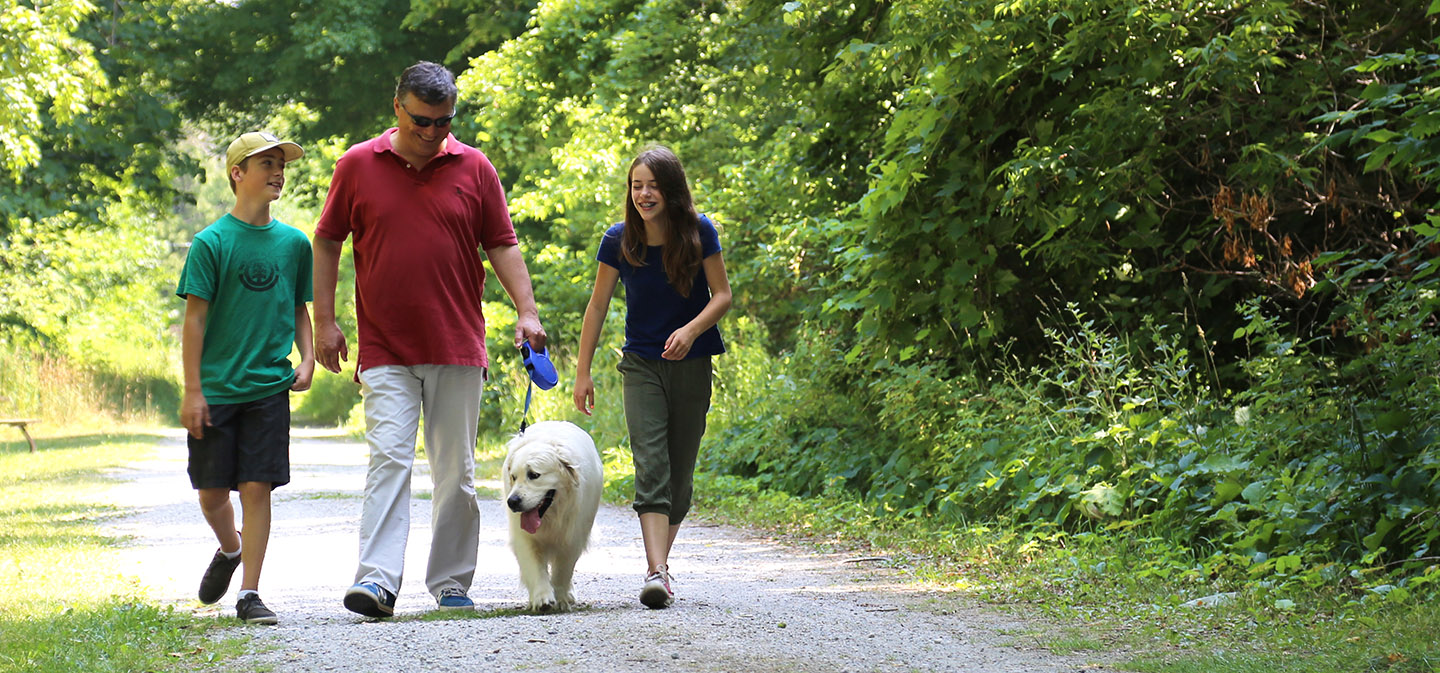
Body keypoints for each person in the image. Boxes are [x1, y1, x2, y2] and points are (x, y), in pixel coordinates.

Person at [312, 61, 547, 618]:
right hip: (385, 347)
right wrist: (325, 321)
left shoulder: (474, 167)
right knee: (389, 461)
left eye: (443, 121)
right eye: (421, 119)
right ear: (398, 107)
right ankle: (375, 582)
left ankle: (450, 583)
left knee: (456, 474)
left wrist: (527, 310)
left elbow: (503, 244)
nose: (432, 131)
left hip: (457, 344)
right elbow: (326, 242)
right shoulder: (357, 164)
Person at [573, 144, 732, 608]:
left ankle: (660, 566)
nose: (644, 194)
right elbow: (597, 306)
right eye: (636, 185)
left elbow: (722, 295)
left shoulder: (700, 232)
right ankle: (656, 572)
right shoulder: (618, 240)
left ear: (671, 189)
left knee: (679, 477)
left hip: (693, 364)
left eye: (653, 186)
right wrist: (582, 372)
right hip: (640, 364)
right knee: (652, 466)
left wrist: (691, 329)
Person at [177, 131, 315, 625]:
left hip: (267, 388)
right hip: (215, 390)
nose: (278, 172)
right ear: (238, 173)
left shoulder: (295, 243)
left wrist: (308, 356)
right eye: (267, 164)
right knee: (212, 494)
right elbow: (194, 320)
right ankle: (229, 549)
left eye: (281, 164)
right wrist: (193, 390)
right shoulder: (211, 243)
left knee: (256, 488)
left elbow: (299, 307)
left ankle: (250, 593)